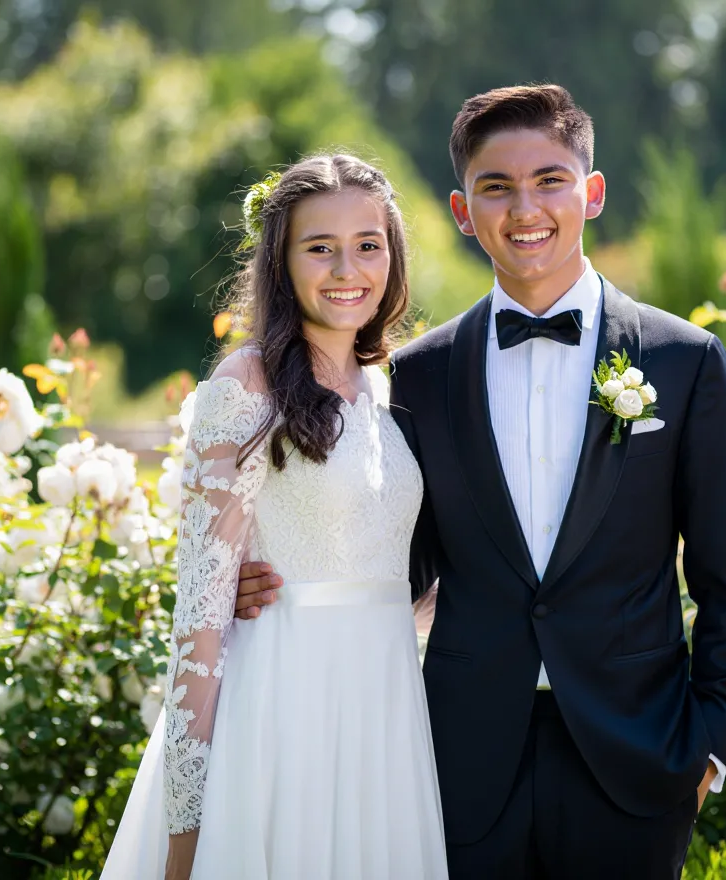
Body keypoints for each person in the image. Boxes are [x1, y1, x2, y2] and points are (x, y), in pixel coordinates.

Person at [234, 85, 726, 878]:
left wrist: (710, 748)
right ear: (459, 209)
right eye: (496, 186)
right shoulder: (418, 375)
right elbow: (396, 555)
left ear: (592, 192)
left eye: (550, 180)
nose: (526, 208)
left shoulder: (685, 361)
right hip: (457, 763)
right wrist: (280, 577)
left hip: (639, 759)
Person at [101, 154, 449, 880]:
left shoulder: (392, 389)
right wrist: (188, 819)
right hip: (280, 708)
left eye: (368, 244)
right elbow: (199, 616)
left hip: (384, 713)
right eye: (319, 247)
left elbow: (388, 571)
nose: (346, 267)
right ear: (281, 262)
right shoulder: (245, 384)